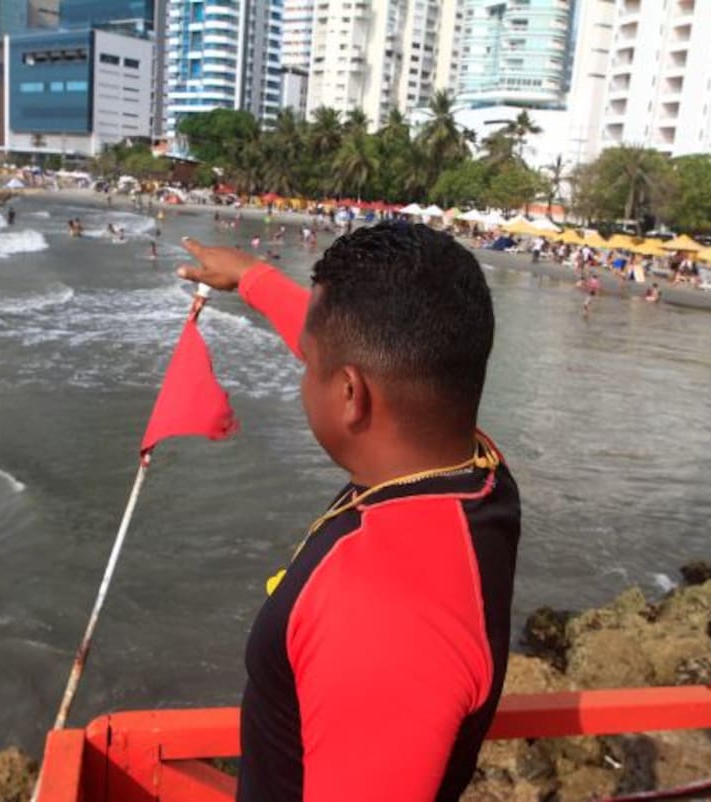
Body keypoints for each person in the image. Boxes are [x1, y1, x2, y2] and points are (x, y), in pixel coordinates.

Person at [176, 223, 520, 802]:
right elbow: (360, 358)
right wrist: (252, 278)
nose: (302, 372)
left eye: (309, 365)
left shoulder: (386, 609)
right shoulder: (472, 464)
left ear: (350, 395)